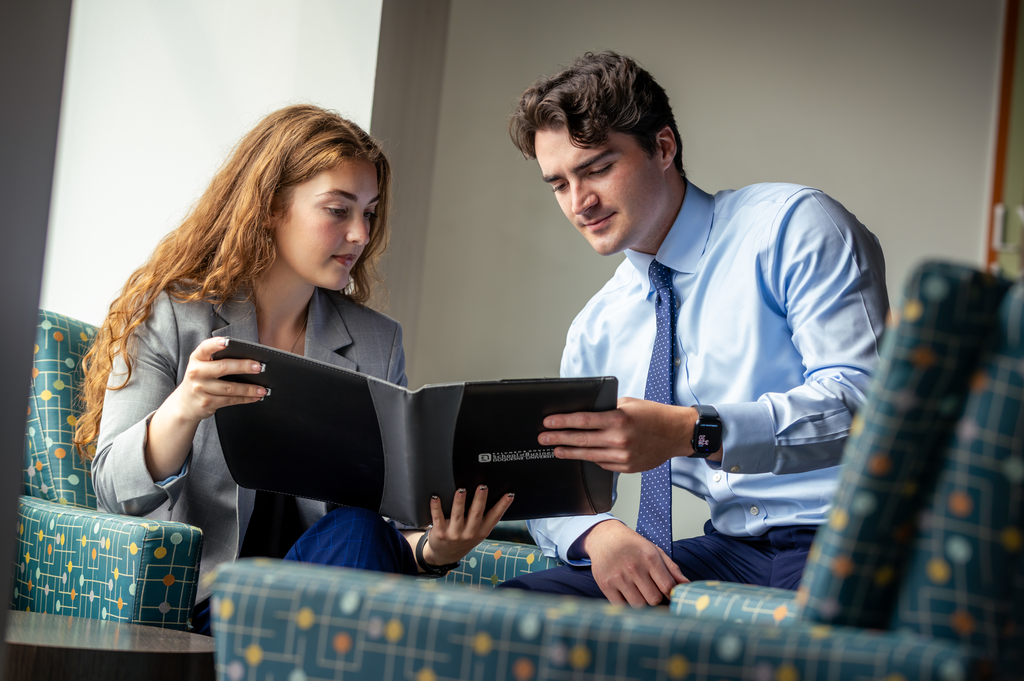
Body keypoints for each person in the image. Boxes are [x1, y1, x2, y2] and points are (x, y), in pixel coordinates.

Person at [74, 104, 512, 633]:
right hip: (209, 601)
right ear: (268, 208)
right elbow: (114, 493)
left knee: (356, 527)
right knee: (356, 534)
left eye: (369, 213)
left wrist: (436, 548)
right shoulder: (170, 311)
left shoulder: (377, 342)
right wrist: (184, 408)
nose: (360, 235)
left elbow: (392, 531)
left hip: (335, 593)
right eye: (338, 210)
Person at [498, 52, 888, 607]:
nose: (579, 203)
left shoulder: (792, 227)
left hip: (848, 536)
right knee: (510, 612)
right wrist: (598, 535)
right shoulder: (597, 327)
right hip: (732, 547)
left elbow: (866, 407)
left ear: (662, 148)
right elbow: (559, 486)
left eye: (597, 168)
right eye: (558, 183)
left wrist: (694, 431)